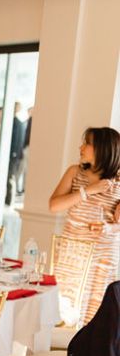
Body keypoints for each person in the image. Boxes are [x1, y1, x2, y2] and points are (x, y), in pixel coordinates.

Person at [49, 126, 120, 324]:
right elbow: (54, 205)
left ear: (102, 149)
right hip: (72, 255)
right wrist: (87, 191)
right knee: (64, 315)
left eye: (87, 143)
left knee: (95, 317)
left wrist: (109, 228)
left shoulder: (118, 180)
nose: (80, 147)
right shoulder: (75, 172)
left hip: (103, 259)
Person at [6, 102, 26, 205]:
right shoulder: (12, 121)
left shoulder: (17, 123)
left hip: (14, 155)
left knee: (11, 177)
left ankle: (9, 199)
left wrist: (14, 154)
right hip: (13, 154)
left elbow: (18, 140)